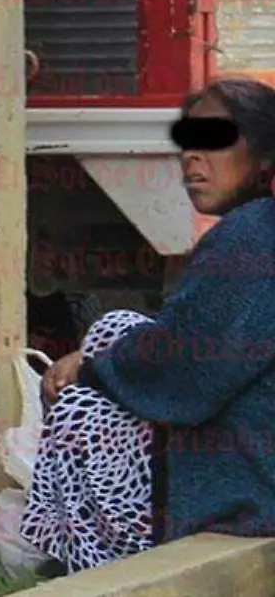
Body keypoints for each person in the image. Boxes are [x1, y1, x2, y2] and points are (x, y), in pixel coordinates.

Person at [20, 78, 275, 574]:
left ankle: (94, 561)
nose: (192, 156)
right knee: (117, 328)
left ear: (264, 155)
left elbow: (185, 372)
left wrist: (90, 372)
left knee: (79, 412)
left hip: (252, 496)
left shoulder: (253, 235)